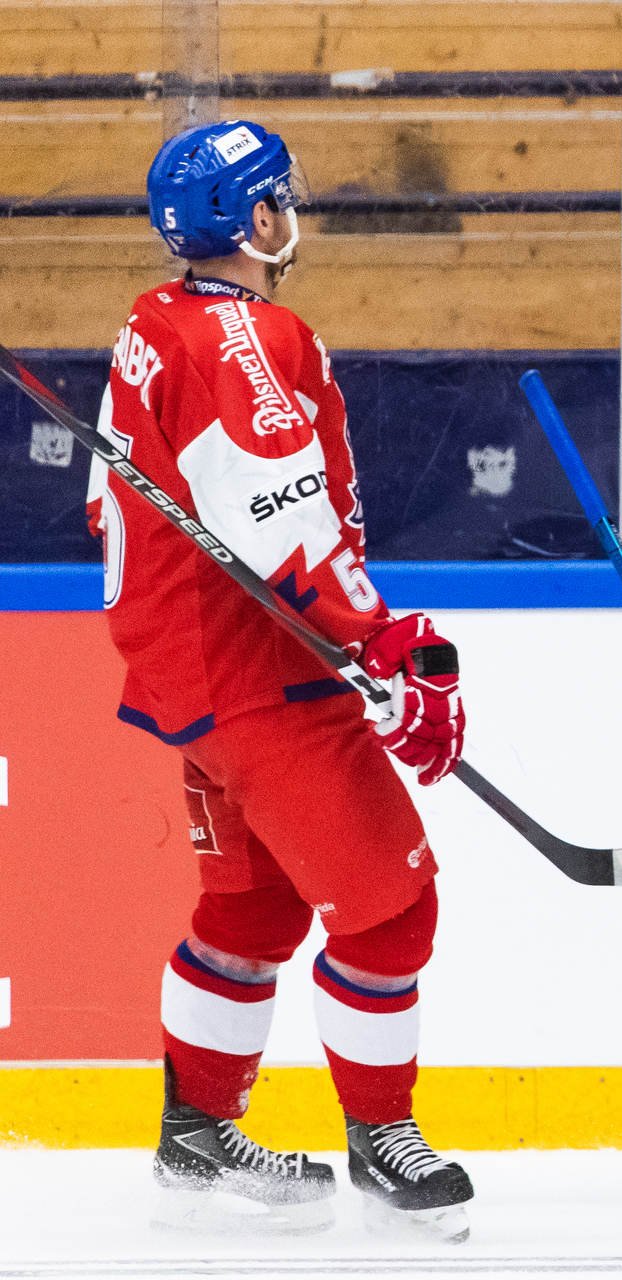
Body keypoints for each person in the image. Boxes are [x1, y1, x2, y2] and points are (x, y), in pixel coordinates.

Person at [90, 120, 473, 1237]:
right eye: (279, 196)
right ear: (253, 218)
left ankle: (198, 1140)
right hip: (265, 675)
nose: (289, 211)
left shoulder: (155, 324)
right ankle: (383, 1143)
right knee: (393, 909)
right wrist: (382, 639)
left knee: (249, 909)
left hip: (195, 679)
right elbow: (282, 524)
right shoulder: (246, 341)